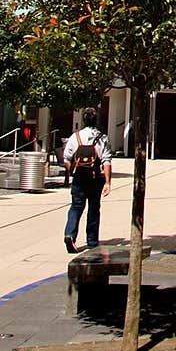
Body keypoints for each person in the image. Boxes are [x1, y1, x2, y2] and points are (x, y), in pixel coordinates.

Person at [62, 108, 112, 253]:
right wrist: (108, 182)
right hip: (95, 178)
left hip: (79, 178)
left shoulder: (75, 137)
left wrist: (73, 172)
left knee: (76, 207)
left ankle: (69, 233)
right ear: (96, 120)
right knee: (94, 209)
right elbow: (106, 161)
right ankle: (92, 241)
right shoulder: (102, 138)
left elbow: (66, 159)